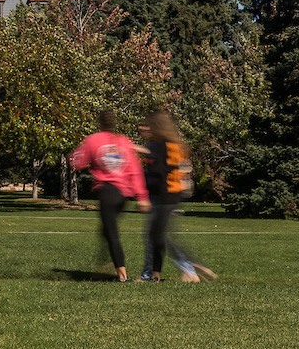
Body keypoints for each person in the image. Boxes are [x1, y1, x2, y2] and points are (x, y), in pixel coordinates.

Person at [71, 109, 149, 282]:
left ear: (100, 123)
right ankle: (102, 268)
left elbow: (77, 162)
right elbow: (135, 170)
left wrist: (78, 159)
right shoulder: (123, 142)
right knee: (106, 232)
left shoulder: (93, 140)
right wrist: (142, 197)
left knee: (111, 233)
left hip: (107, 191)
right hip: (122, 194)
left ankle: (122, 276)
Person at [139, 109, 216, 283]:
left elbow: (158, 171)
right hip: (172, 194)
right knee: (157, 235)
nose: (145, 128)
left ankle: (188, 265)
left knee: (156, 235)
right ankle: (155, 274)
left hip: (165, 194)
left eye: (148, 125)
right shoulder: (174, 144)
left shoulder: (159, 145)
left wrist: (142, 190)